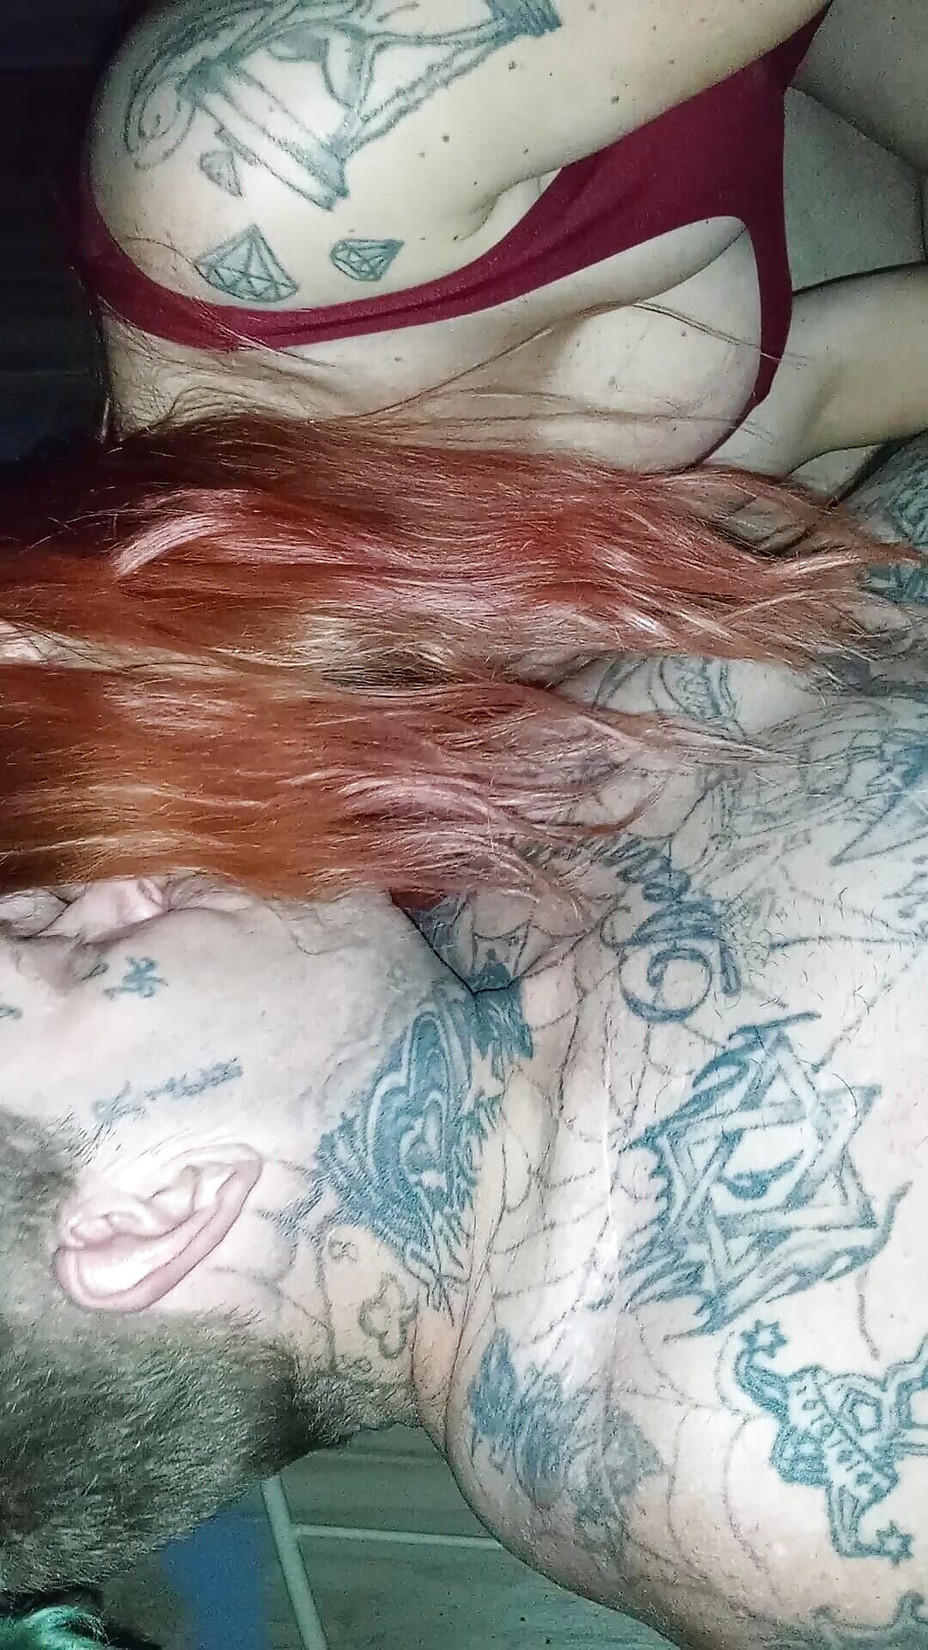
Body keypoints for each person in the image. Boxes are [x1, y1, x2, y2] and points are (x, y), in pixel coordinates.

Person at [1, 435, 928, 1649]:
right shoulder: (771, 1480)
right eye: (64, 949)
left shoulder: (466, 906)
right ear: (153, 1214)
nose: (109, 877)